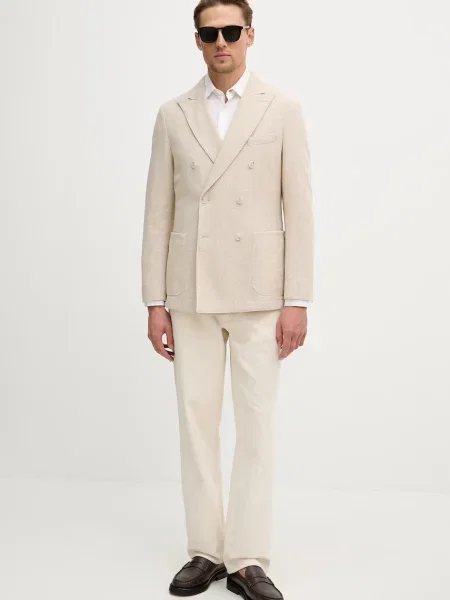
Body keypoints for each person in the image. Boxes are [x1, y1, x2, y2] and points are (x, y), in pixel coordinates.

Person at [141, 0, 314, 597]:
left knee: (257, 424)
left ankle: (246, 557)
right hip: (189, 291)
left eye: (232, 31)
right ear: (197, 39)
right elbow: (157, 213)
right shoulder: (172, 114)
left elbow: (300, 209)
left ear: (250, 36)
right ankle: (205, 550)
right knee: (196, 423)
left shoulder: (282, 109)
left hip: (260, 291)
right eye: (210, 32)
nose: (222, 42)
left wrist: (298, 298)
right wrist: (154, 300)